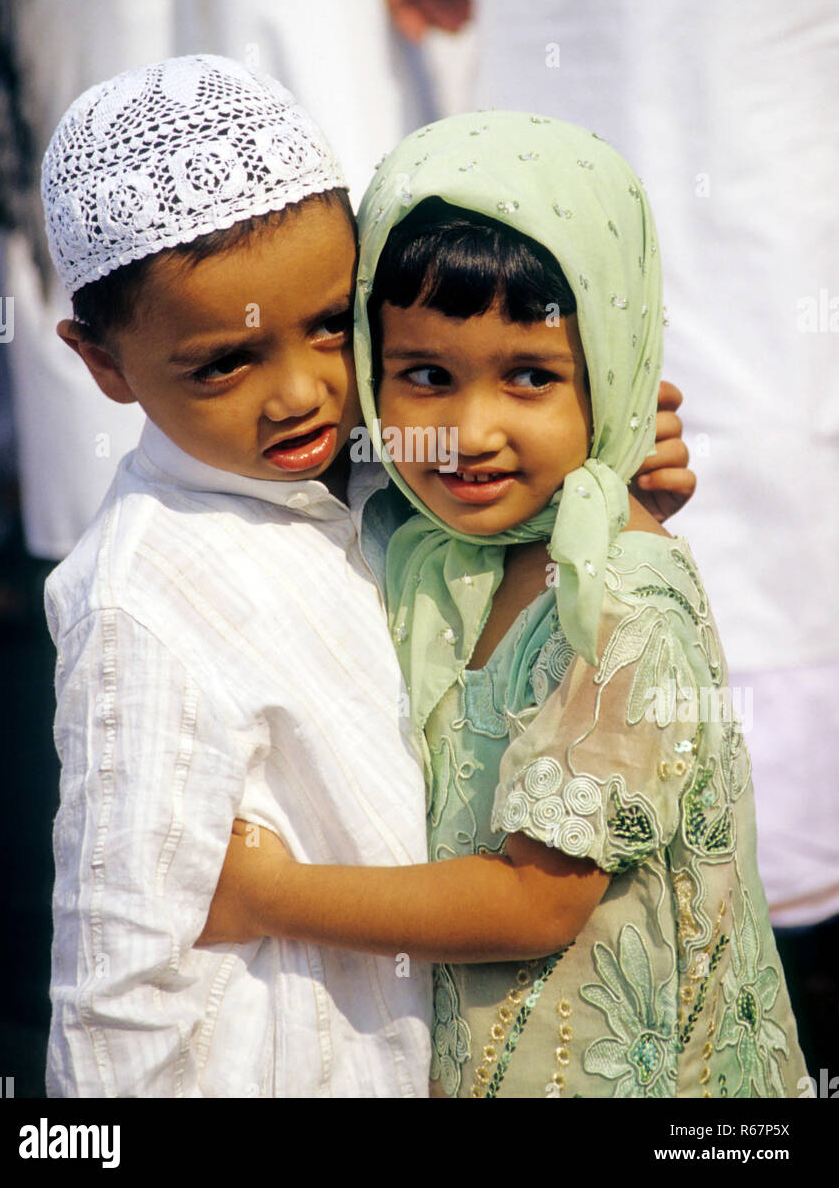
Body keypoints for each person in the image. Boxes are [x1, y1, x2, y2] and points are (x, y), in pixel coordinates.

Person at [200, 111, 807, 1099]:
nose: (469, 432)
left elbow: (534, 902)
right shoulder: (420, 542)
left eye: (531, 376)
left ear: (612, 367)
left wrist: (275, 896)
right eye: (426, 376)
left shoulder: (615, 602)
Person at [41, 54, 433, 1098]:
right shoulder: (140, 597)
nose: (301, 393)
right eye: (225, 363)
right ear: (104, 364)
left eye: (328, 326)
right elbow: (118, 983)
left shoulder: (387, 466)